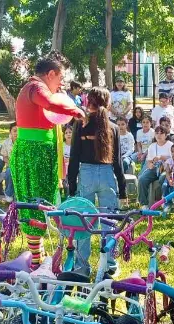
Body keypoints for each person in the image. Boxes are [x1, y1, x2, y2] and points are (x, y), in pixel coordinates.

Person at [13, 51, 85, 266]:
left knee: (39, 203)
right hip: (35, 154)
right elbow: (51, 105)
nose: (61, 84)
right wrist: (76, 111)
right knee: (36, 205)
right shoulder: (36, 88)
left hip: (38, 152)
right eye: (60, 77)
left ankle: (38, 258)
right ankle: (36, 262)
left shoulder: (32, 87)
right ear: (51, 74)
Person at [67, 87, 126, 273]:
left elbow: (74, 157)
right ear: (108, 104)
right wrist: (123, 190)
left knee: (83, 220)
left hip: (86, 174)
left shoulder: (80, 125)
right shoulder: (113, 127)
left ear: (88, 102)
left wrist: (71, 187)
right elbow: (118, 162)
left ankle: (82, 266)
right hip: (108, 175)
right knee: (109, 221)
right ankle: (109, 265)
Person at [138, 126, 173, 206]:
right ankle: (144, 204)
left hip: (167, 169)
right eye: (157, 133)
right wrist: (151, 165)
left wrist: (161, 157)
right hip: (155, 169)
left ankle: (164, 201)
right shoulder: (152, 146)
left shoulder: (170, 145)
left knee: (162, 178)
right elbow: (149, 161)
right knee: (142, 179)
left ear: (166, 135)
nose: (159, 135)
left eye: (161, 133)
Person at [0, 122, 17, 202]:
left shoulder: (23, 142)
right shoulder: (6, 142)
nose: (16, 133)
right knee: (9, 172)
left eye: (19, 131)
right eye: (14, 131)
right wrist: (11, 163)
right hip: (11, 165)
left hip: (22, 166)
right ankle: (9, 195)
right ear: (10, 132)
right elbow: (4, 157)